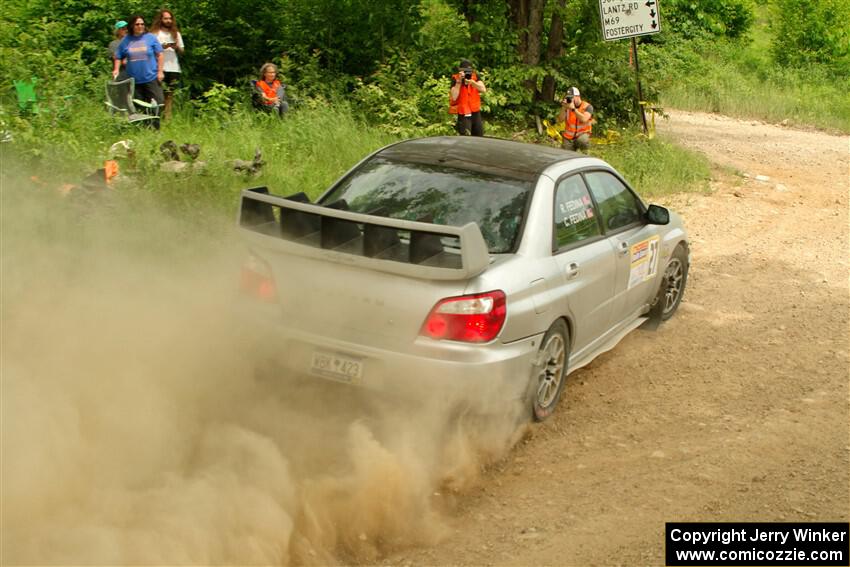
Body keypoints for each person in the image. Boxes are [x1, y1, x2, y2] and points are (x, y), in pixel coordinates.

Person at [113, 15, 164, 112]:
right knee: (139, 106)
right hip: (134, 80)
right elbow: (118, 56)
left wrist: (160, 71)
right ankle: (143, 125)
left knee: (158, 102)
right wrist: (116, 69)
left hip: (151, 77)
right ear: (132, 26)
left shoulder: (150, 38)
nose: (140, 26)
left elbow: (160, 54)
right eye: (137, 24)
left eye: (142, 24)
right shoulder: (126, 40)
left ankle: (154, 123)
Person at [150, 9, 184, 120]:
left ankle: (167, 118)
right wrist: (161, 47)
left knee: (170, 94)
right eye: (166, 18)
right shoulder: (154, 34)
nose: (168, 21)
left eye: (170, 18)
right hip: (159, 68)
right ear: (161, 19)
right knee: (158, 94)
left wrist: (176, 46)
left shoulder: (176, 34)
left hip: (173, 67)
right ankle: (156, 116)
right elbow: (149, 51)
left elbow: (182, 50)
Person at [449, 59, 486, 136]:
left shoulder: (475, 77)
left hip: (475, 111)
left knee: (479, 136)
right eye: (465, 71)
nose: (467, 73)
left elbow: (483, 89)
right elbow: (454, 97)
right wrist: (459, 82)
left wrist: (472, 82)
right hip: (463, 112)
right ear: (460, 71)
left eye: (469, 70)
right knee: (466, 136)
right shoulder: (456, 78)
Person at [557, 86, 594, 152]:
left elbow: (584, 119)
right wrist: (563, 107)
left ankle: (585, 154)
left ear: (577, 96)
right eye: (568, 97)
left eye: (571, 97)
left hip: (582, 134)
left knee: (582, 141)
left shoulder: (587, 106)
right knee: (566, 155)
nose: (570, 99)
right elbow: (560, 120)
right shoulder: (567, 106)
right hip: (568, 136)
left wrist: (573, 109)